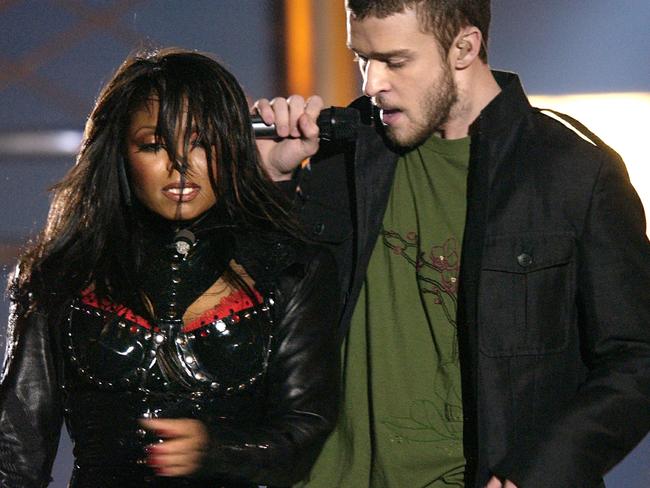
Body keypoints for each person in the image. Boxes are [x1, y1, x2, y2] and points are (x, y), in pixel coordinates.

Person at [252, 1, 650, 487]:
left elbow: (636, 358)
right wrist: (271, 179)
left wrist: (543, 471)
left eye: (395, 61)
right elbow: (257, 320)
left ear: (464, 47)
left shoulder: (573, 173)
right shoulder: (340, 151)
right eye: (362, 58)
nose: (372, 83)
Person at [0, 48, 340, 488]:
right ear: (120, 152)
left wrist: (217, 451)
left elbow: (306, 430)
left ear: (231, 145)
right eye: (154, 145)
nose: (180, 166)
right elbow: (16, 451)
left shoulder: (294, 267)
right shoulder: (57, 275)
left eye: (202, 142)